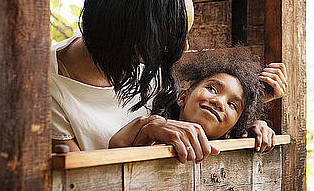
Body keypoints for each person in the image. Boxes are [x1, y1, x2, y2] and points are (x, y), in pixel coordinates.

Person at [51, 0, 287, 161]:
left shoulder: (146, 68)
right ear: (136, 31)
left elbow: (187, 117)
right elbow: (79, 189)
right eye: (174, 37)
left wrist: (247, 124)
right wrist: (146, 129)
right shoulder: (43, 90)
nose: (185, 47)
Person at [108, 51, 278, 162]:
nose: (219, 102)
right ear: (183, 97)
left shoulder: (237, 137)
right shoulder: (152, 129)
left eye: (232, 104)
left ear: (230, 130)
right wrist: (148, 128)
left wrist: (257, 124)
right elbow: (115, 150)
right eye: (212, 89)